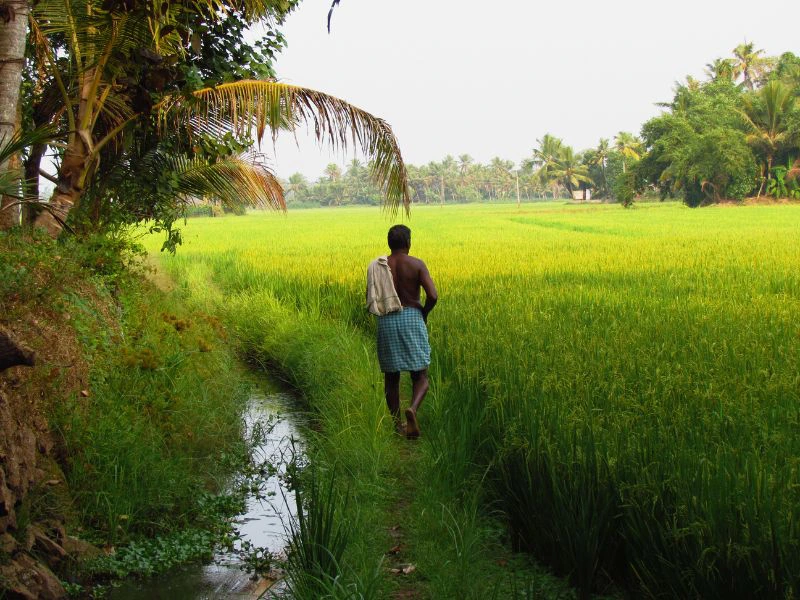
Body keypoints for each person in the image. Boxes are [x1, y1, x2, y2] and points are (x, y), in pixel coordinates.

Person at [366, 225, 438, 439]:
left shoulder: (377, 266)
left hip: (387, 321)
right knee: (420, 375)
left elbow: (371, 296)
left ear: (389, 243)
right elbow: (433, 295)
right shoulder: (416, 264)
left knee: (391, 377)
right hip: (412, 318)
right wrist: (423, 313)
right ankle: (413, 410)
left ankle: (397, 425)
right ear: (408, 243)